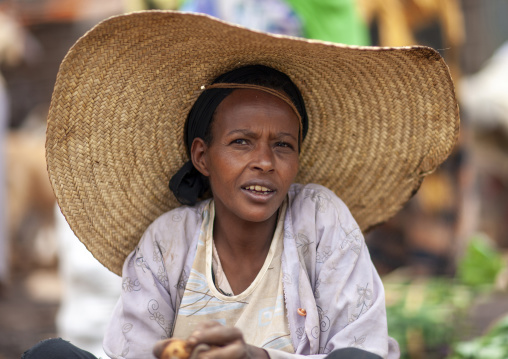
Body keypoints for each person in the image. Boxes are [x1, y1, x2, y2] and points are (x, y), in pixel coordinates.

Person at [25, 10, 459, 359]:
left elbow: (363, 346)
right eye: (241, 143)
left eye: (283, 146)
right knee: (50, 354)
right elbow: (132, 351)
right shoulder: (168, 241)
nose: (265, 162)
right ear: (202, 156)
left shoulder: (320, 219)